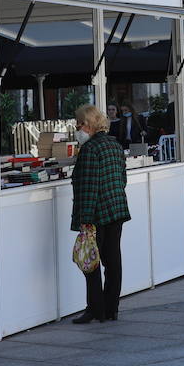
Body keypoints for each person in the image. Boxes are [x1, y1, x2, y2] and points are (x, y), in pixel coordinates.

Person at [69, 104, 130, 324]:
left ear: (91, 125)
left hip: (97, 214)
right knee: (113, 262)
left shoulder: (90, 149)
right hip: (116, 209)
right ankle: (111, 308)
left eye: (81, 124)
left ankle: (95, 309)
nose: (78, 128)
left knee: (91, 264)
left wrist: (85, 221)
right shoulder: (114, 144)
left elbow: (88, 188)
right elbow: (122, 178)